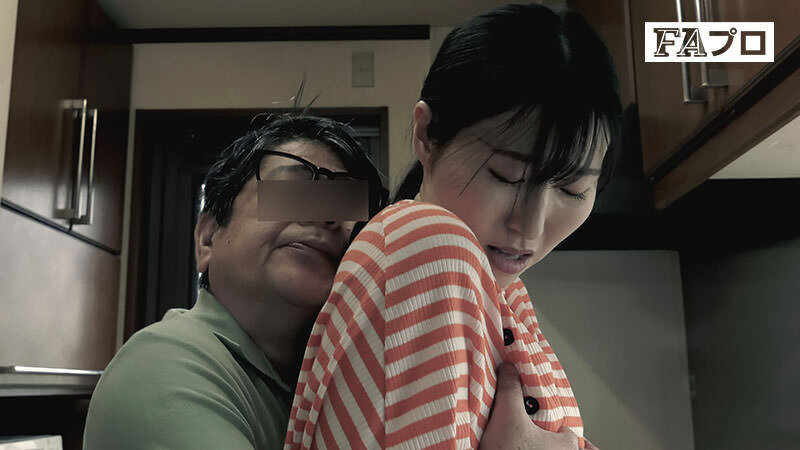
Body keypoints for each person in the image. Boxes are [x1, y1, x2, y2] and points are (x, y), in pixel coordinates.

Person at [285, 4, 621, 450]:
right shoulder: (429, 246)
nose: (530, 225)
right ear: (427, 135)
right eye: (506, 176)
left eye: (572, 189)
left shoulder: (504, 294)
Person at [82, 114, 387, 449]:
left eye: (345, 205)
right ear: (208, 238)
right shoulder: (161, 364)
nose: (328, 216)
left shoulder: (331, 385)